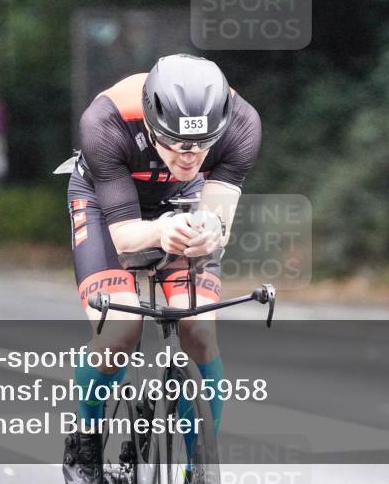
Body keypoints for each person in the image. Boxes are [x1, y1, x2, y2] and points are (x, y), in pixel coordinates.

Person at [62, 54, 261, 484]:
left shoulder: (242, 123)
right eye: (175, 143)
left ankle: (199, 467)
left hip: (182, 201)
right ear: (151, 125)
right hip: (106, 204)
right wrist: (160, 231)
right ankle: (85, 440)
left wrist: (210, 233)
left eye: (203, 144)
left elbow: (218, 218)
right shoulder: (106, 120)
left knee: (200, 331)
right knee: (119, 331)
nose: (190, 156)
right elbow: (126, 239)